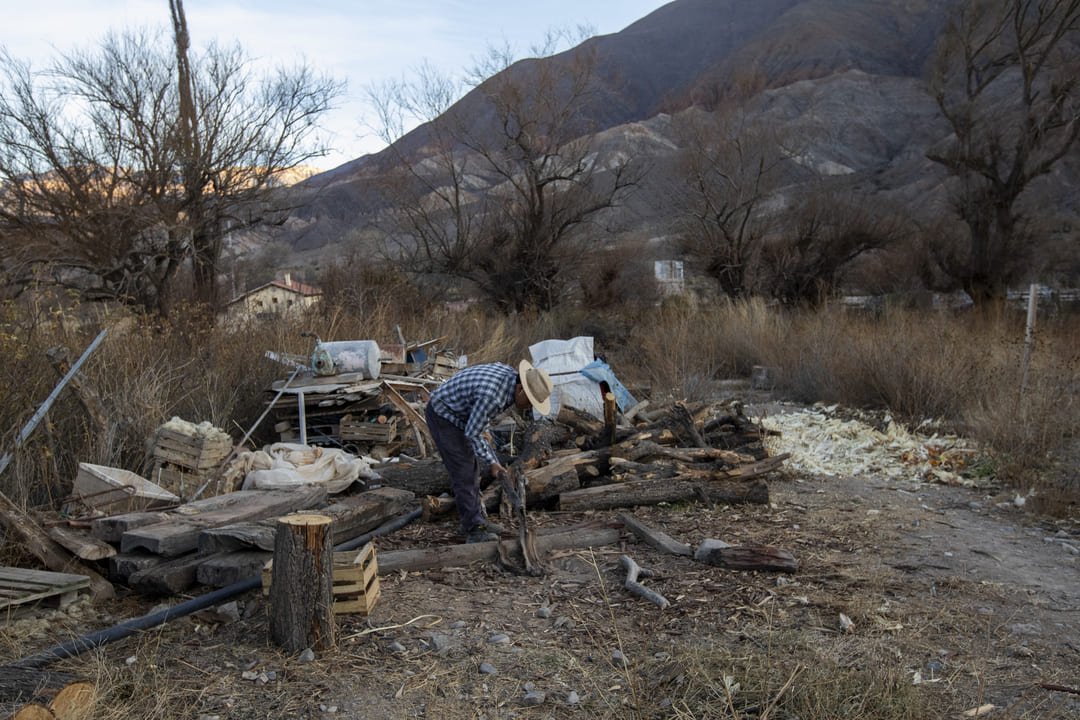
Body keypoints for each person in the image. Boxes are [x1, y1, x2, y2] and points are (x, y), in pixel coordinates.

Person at [424, 360, 553, 543]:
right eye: (530, 401)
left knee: (472, 468)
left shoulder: (508, 378)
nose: (530, 407)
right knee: (464, 472)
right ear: (521, 389)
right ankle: (474, 530)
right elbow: (472, 432)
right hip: (443, 415)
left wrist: (487, 439)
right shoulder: (493, 396)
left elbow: (478, 419)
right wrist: (492, 463)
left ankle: (476, 522)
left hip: (460, 414)